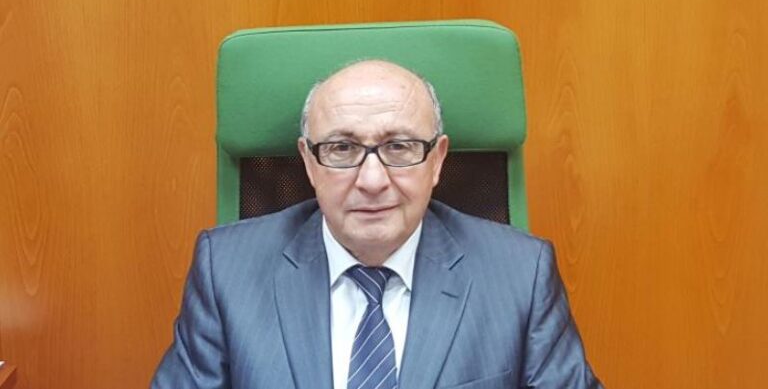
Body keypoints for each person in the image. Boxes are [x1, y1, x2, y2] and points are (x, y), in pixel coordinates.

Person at [151, 60, 602, 388]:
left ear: (437, 160)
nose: (371, 181)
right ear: (309, 162)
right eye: (342, 149)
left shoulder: (521, 275)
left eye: (399, 147)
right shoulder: (226, 271)